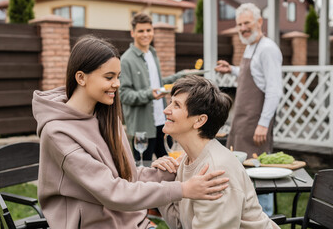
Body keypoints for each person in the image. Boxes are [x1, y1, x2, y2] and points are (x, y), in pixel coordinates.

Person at [32, 35, 229, 229]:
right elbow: (112, 191)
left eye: (118, 77)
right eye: (109, 77)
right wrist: (183, 189)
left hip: (131, 221)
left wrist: (170, 171)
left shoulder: (106, 117)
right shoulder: (57, 133)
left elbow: (125, 176)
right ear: (81, 77)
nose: (117, 84)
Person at [153, 75, 279, 229]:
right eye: (170, 103)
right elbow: (181, 224)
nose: (166, 110)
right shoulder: (187, 160)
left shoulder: (216, 171)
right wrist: (161, 181)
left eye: (176, 105)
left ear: (199, 120)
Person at [215, 3, 283, 216]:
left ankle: (267, 218)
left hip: (255, 125)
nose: (243, 28)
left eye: (247, 23)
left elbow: (274, 90)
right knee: (244, 175)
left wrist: (263, 124)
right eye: (239, 24)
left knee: (260, 174)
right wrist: (233, 69)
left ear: (259, 22)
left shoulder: (268, 49)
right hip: (242, 123)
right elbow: (254, 75)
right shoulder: (251, 46)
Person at [120, 12, 188, 161]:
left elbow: (158, 84)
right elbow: (124, 94)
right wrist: (150, 94)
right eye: (141, 31)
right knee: (143, 167)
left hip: (163, 123)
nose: (145, 34)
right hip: (142, 128)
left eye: (148, 30)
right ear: (133, 33)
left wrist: (182, 74)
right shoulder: (126, 60)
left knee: (170, 165)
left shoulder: (152, 53)